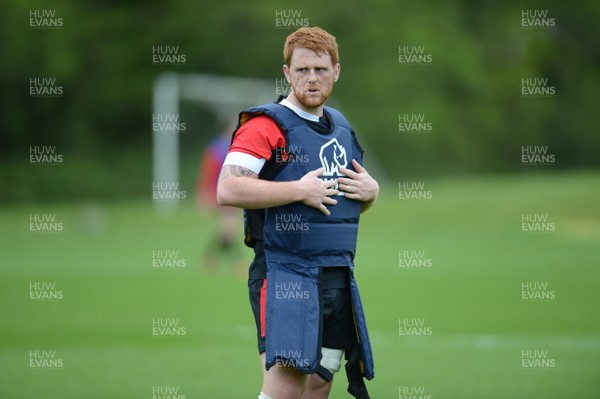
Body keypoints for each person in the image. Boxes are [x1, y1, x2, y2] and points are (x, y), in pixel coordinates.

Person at [217, 27, 379, 399]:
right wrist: (297, 189)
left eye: (320, 69)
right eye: (302, 69)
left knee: (320, 383)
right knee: (287, 386)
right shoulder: (266, 125)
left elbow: (345, 203)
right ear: (287, 72)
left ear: (336, 71)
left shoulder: (340, 128)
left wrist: (371, 194)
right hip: (284, 270)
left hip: (336, 272)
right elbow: (227, 189)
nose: (311, 78)